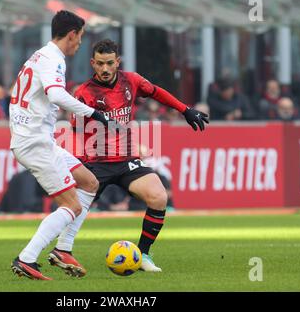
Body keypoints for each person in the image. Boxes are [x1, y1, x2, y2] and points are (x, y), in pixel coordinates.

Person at [49, 39, 209, 273]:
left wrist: (185, 110)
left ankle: (143, 255)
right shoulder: (84, 93)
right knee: (73, 208)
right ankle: (56, 250)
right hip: (97, 162)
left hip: (126, 160)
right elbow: (78, 130)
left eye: (110, 63)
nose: (105, 69)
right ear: (93, 63)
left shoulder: (131, 81)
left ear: (117, 62)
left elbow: (156, 92)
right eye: (100, 63)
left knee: (158, 197)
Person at [9, 10, 112, 280]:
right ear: (72, 34)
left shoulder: (40, 55)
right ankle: (26, 258)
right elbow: (55, 94)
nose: (80, 43)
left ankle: (63, 250)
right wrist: (93, 113)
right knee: (72, 205)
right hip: (34, 143)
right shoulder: (53, 58)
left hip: (40, 140)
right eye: (80, 38)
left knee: (89, 183)